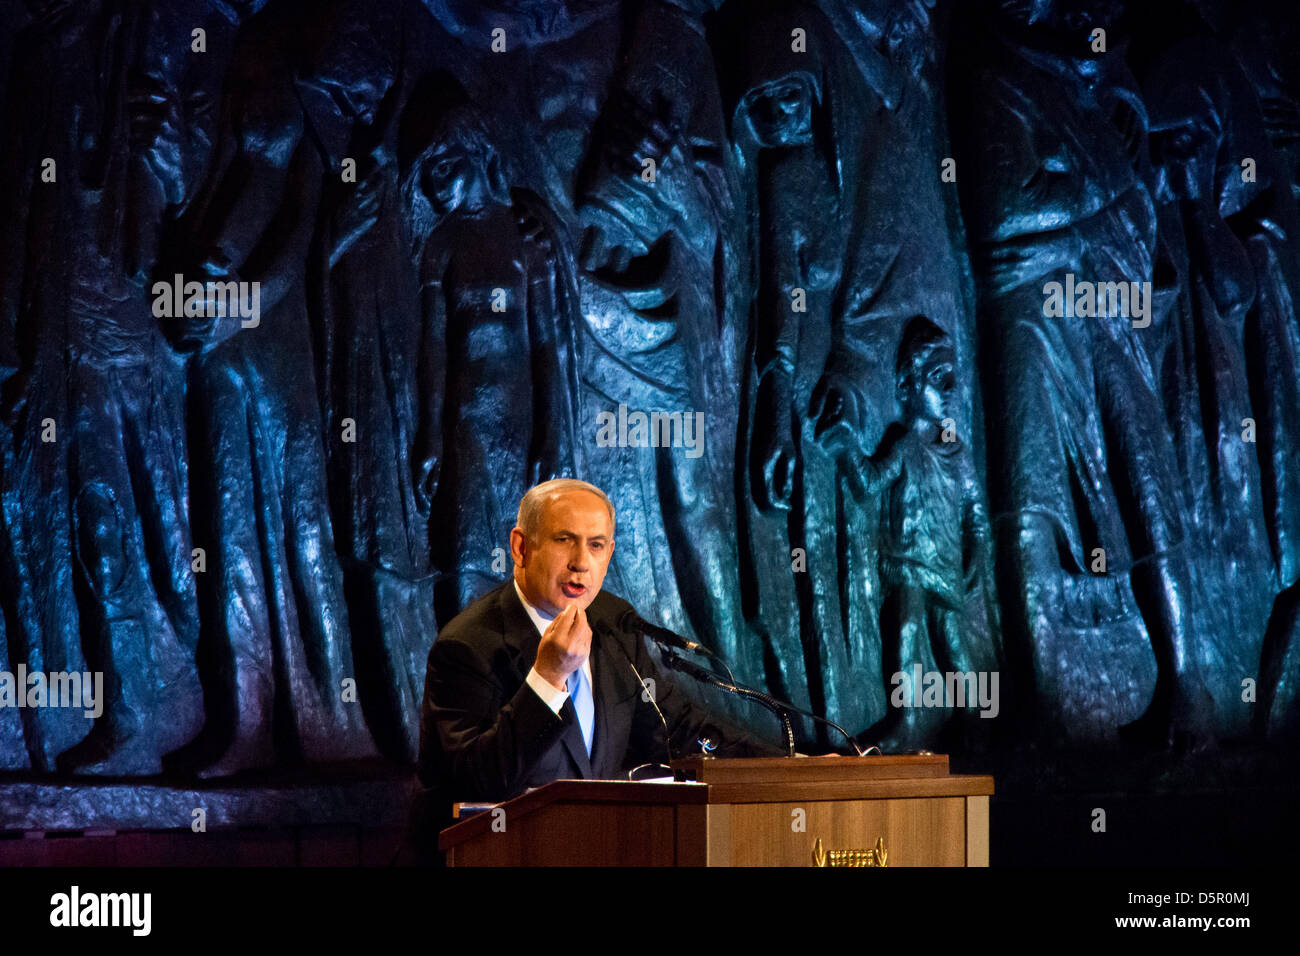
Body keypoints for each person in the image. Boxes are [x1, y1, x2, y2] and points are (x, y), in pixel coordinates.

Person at [413, 478, 783, 860]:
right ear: (521, 548)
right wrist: (547, 678)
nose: (580, 562)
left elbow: (680, 729)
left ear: (610, 552)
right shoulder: (466, 646)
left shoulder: (612, 620)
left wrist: (791, 767)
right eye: (563, 540)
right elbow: (479, 783)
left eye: (596, 545)